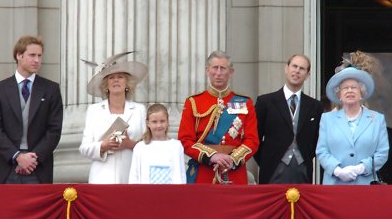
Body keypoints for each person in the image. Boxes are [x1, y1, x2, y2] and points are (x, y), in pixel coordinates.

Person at [0, 35, 63, 184]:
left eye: (40, 56)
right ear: (19, 55)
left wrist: (33, 158)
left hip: (38, 167)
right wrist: (17, 156)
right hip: (7, 167)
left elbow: (54, 129)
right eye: (32, 55)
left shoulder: (51, 89)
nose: (37, 60)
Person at [178, 50, 259, 184]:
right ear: (207, 70)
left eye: (223, 68)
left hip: (234, 172)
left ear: (231, 72)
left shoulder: (245, 102)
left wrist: (232, 160)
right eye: (215, 68)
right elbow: (185, 140)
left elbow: (252, 140)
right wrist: (212, 156)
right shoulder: (193, 102)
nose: (219, 73)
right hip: (203, 171)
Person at [254, 54, 323, 184]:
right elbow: (254, 137)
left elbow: (316, 140)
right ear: (286, 69)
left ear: (307, 75)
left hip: (303, 170)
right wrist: (266, 160)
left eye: (302, 68)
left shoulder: (315, 106)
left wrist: (303, 157)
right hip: (272, 170)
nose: (297, 71)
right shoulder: (266, 102)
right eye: (294, 66)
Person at [79, 51, 147, 184]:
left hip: (132, 177)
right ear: (106, 85)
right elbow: (84, 148)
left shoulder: (139, 110)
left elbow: (148, 147)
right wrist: (103, 146)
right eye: (111, 77)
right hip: (102, 178)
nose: (116, 80)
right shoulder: (94, 110)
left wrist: (129, 144)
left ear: (127, 83)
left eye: (120, 77)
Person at [316, 67, 388, 185]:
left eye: (354, 87)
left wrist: (361, 168)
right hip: (335, 185)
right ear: (339, 94)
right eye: (345, 88)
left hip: (366, 185)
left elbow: (382, 152)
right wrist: (338, 171)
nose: (349, 91)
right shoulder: (327, 119)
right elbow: (322, 151)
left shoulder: (377, 119)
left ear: (362, 93)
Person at [129, 103, 186, 184]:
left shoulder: (176, 146)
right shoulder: (140, 147)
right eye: (154, 122)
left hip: (172, 194)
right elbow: (134, 177)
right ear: (148, 123)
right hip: (146, 194)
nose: (159, 125)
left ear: (167, 122)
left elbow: (182, 175)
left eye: (162, 121)